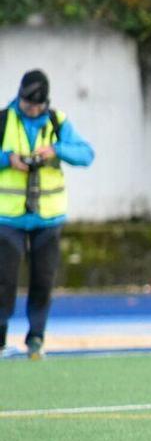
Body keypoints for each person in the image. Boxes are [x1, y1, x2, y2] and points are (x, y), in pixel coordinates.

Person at [0, 69, 94, 359]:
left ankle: (36, 338)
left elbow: (86, 154)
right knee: (4, 281)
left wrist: (55, 150)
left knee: (43, 280)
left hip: (48, 218)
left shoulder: (57, 121)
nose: (34, 110)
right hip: (8, 219)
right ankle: (1, 337)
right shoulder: (4, 120)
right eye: (29, 105)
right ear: (20, 97)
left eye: (39, 106)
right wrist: (8, 159)